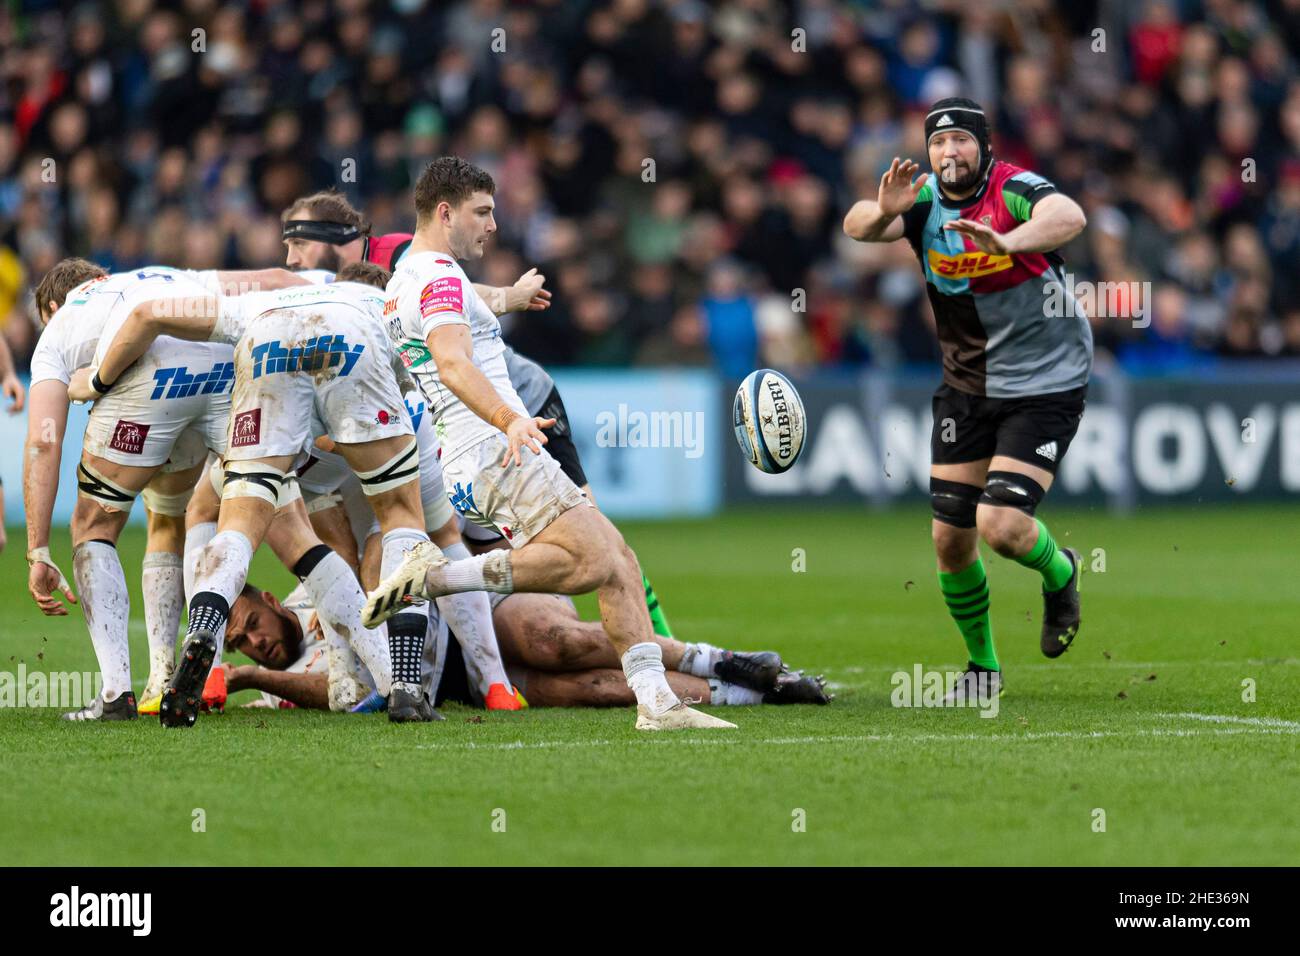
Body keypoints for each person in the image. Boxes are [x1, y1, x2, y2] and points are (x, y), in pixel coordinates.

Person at [371, 156, 733, 731]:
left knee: (618, 560)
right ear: (445, 212)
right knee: (591, 560)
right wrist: (507, 419)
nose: (493, 225)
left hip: (472, 454)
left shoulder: (405, 281)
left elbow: (454, 307)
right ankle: (436, 577)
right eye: (481, 212)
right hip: (496, 447)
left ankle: (655, 701)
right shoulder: (440, 277)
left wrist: (509, 298)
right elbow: (451, 359)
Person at [70, 264, 406, 725]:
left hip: (262, 383)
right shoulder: (384, 304)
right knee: (385, 525)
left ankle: (198, 639)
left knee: (225, 522)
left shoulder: (255, 298)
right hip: (338, 416)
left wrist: (94, 382)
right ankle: (395, 683)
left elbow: (150, 314)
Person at [842, 97, 1091, 700]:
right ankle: (984, 671)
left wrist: (1010, 242)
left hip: (1046, 381)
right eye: (938, 142)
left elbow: (1070, 215)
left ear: (983, 146)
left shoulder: (1012, 189)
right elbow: (854, 227)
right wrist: (884, 213)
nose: (949, 152)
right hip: (966, 387)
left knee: (1002, 527)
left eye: (960, 141)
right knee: (951, 539)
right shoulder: (921, 199)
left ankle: (1061, 574)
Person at [223, 580, 829, 711]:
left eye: (251, 623)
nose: (254, 644)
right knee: (589, 691)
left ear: (273, 600)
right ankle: (749, 693)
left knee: (562, 642)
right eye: (240, 646)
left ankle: (726, 659)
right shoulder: (275, 685)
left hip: (468, 613)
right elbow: (335, 695)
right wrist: (250, 681)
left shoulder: (317, 586)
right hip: (452, 680)